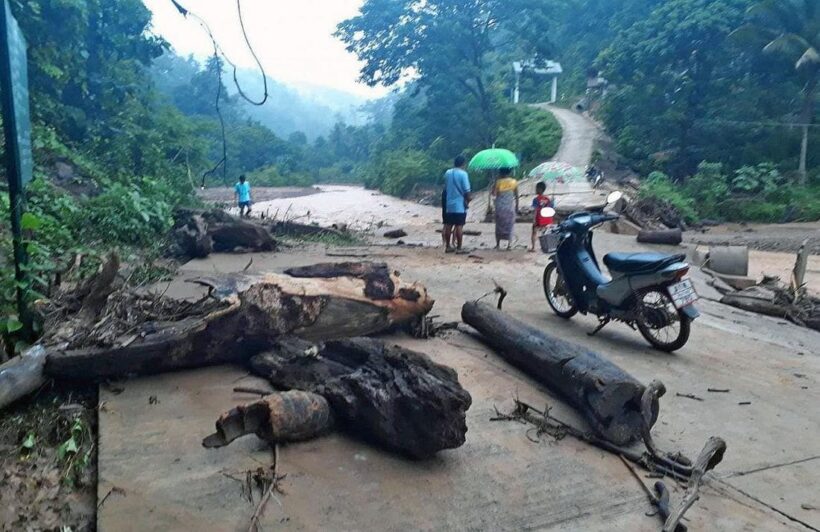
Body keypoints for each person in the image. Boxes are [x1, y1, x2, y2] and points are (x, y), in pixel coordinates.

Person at [442, 155, 472, 253]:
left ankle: (447, 246)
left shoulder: (448, 173)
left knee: (448, 225)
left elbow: (446, 187)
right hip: (459, 205)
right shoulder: (463, 174)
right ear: (463, 164)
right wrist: (468, 200)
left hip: (449, 204)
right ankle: (459, 248)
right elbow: (467, 191)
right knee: (459, 226)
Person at [491, 167, 519, 250]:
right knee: (510, 225)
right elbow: (516, 195)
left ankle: (498, 244)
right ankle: (509, 245)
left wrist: (494, 185)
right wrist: (517, 206)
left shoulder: (498, 182)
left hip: (500, 207)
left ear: (500, 173)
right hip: (509, 207)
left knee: (499, 225)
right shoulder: (514, 182)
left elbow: (494, 194)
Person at [530, 181, 554, 252]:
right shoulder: (548, 199)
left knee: (534, 232)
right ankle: (545, 247)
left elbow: (535, 210)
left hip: (538, 218)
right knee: (544, 233)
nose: (535, 190)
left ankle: (533, 247)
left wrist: (534, 219)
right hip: (546, 219)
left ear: (540, 189)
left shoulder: (536, 199)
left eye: (536, 188)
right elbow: (551, 208)